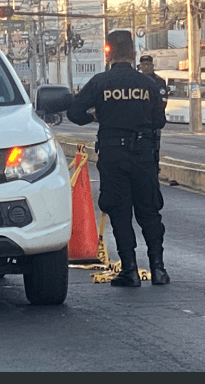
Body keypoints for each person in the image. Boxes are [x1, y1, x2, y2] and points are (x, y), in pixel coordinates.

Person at [66, 31, 169, 287]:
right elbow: (160, 121)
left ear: (108, 53)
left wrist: (95, 117)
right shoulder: (148, 84)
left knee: (120, 212)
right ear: (134, 55)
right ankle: (158, 269)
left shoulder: (101, 82)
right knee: (149, 211)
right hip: (144, 154)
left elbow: (74, 112)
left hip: (114, 155)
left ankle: (130, 271)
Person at [138, 54, 168, 171]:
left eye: (148, 64)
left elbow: (162, 101)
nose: (146, 67)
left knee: (154, 149)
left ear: (152, 66)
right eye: (144, 65)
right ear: (140, 66)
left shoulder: (159, 81)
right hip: (139, 120)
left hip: (153, 121)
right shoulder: (136, 80)